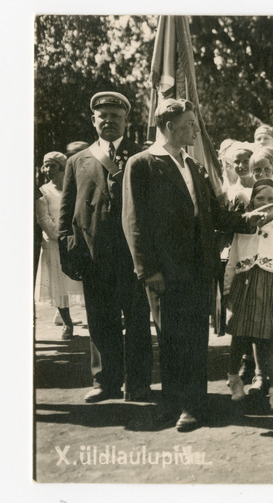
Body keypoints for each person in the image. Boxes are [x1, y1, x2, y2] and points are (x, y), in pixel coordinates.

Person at [122, 98, 254, 432]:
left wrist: (249, 219)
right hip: (165, 272)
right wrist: (147, 270)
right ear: (169, 127)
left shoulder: (193, 166)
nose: (196, 129)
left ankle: (195, 403)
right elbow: (134, 222)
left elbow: (213, 214)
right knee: (172, 340)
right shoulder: (143, 164)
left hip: (199, 269)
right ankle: (178, 405)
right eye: (190, 125)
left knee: (196, 338)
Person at [58, 91, 153, 404]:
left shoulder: (143, 156)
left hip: (133, 255)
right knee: (100, 320)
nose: (109, 121)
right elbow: (67, 210)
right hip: (94, 254)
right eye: (104, 116)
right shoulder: (77, 161)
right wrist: (69, 250)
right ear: (93, 120)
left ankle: (138, 384)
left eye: (116, 116)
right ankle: (105, 382)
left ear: (126, 120)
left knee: (138, 320)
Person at [224, 179, 273, 411]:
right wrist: (227, 290)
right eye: (260, 198)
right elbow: (232, 260)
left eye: (271, 199)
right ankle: (234, 380)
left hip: (271, 288)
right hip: (244, 286)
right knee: (240, 336)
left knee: (272, 340)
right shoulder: (243, 226)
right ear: (252, 200)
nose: (265, 203)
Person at [35, 152, 83, 340]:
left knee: (79, 280)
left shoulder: (75, 187)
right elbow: (44, 220)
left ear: (62, 168)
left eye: (51, 165)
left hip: (76, 242)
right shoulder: (43, 192)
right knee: (58, 285)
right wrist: (62, 236)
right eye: (45, 166)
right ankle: (67, 323)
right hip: (54, 244)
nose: (47, 170)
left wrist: (75, 237)